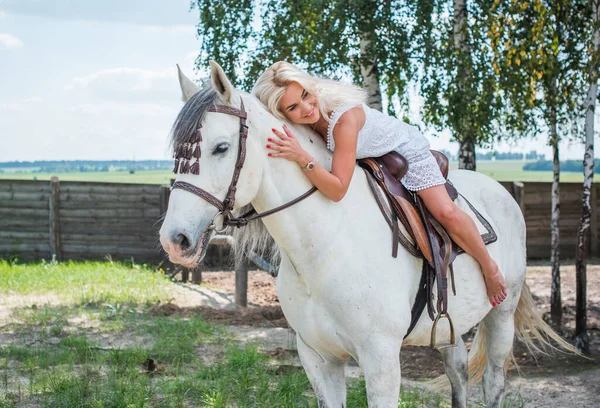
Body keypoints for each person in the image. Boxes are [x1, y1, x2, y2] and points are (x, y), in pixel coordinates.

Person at [252, 61, 507, 307]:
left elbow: (338, 189)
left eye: (306, 94)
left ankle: (489, 267)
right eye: (293, 107)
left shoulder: (343, 120)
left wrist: (302, 157)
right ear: (283, 114)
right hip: (371, 157)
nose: (307, 107)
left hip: (404, 151)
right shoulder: (308, 124)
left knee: (445, 212)